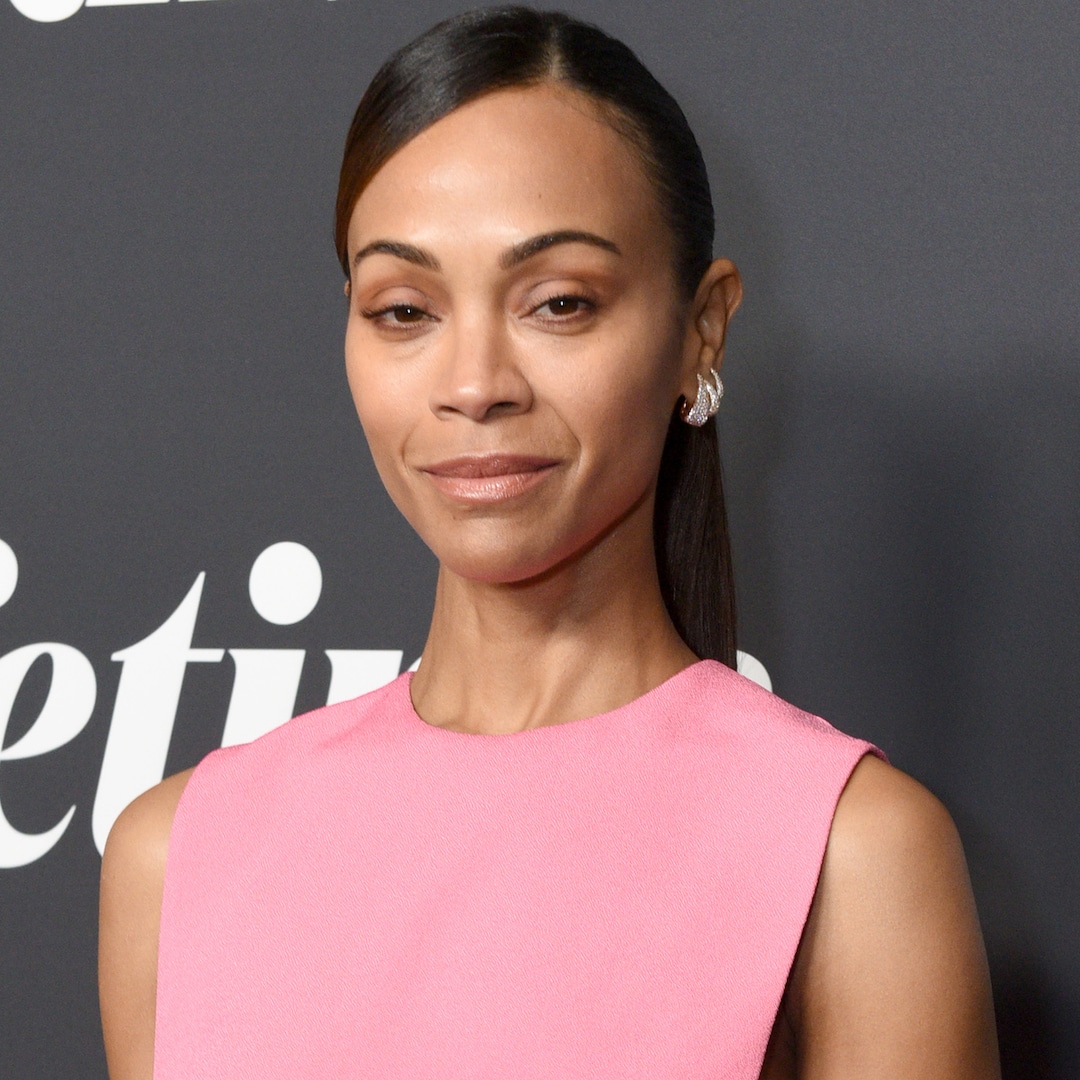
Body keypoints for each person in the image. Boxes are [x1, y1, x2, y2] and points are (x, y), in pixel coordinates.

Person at [99, 8, 1000, 1078]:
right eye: (404, 310)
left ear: (701, 329)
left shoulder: (852, 854)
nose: (475, 384)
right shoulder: (178, 858)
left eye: (560, 302)